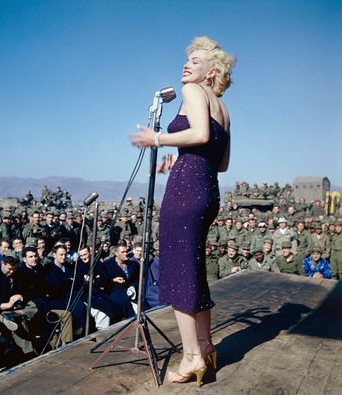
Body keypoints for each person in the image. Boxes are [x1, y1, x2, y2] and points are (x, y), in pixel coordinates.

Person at [131, 36, 235, 385]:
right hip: (207, 193)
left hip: (184, 195)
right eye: (187, 59)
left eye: (196, 60)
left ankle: (191, 357)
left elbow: (200, 134)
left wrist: (157, 140)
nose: (187, 65)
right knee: (194, 268)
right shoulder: (224, 108)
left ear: (211, 73)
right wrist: (177, 162)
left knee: (177, 271)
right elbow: (220, 163)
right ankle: (206, 347)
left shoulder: (193, 91)